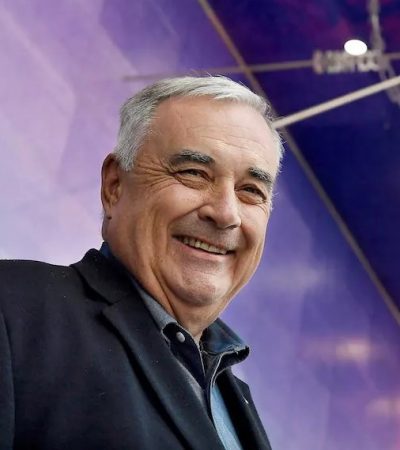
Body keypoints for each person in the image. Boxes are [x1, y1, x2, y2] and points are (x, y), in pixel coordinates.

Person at [0, 76, 282, 450]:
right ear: (114, 186)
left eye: (251, 191)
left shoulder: (233, 398)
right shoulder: (14, 309)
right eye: (194, 173)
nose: (226, 213)